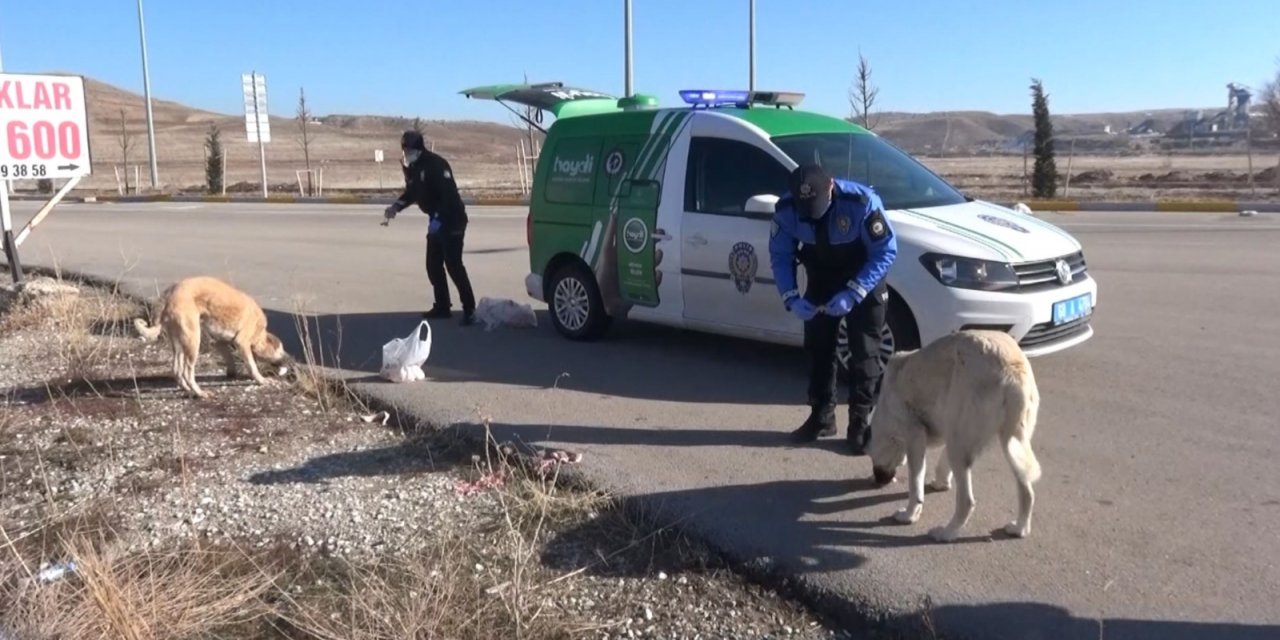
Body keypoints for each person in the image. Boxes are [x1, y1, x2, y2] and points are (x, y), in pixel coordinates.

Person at [768, 163, 898, 455]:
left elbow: (885, 250)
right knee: (818, 346)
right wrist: (790, 296)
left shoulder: (861, 203)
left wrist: (854, 293)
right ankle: (821, 416)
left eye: (817, 204)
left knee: (864, 351)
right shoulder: (787, 209)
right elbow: (780, 254)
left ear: (831, 187)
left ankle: (860, 423)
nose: (812, 212)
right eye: (806, 207)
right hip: (822, 274)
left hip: (863, 273)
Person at [383, 130, 476, 325]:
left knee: (453, 265)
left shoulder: (436, 164)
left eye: (408, 149)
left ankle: (469, 309)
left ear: (418, 148)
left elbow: (449, 196)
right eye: (404, 149)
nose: (406, 153)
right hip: (435, 220)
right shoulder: (414, 167)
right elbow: (412, 193)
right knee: (433, 265)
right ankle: (442, 306)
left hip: (452, 219)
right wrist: (396, 207)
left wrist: (439, 218)